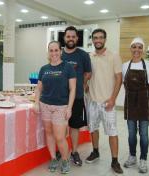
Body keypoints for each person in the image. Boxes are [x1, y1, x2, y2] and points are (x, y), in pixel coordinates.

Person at [85, 28, 123, 174]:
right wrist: (86, 87)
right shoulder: (89, 56)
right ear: (92, 40)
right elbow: (87, 75)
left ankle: (115, 160)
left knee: (112, 131)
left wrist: (113, 98)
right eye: (95, 38)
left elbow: (119, 79)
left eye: (101, 38)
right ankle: (95, 151)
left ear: (105, 40)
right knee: (93, 128)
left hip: (108, 102)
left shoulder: (114, 56)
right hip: (92, 101)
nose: (98, 40)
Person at [35, 41, 76, 174]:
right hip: (45, 105)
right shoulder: (44, 69)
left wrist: (69, 108)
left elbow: (73, 89)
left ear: (61, 51)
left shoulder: (68, 67)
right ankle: (53, 158)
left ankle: (65, 160)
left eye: (56, 50)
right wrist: (36, 102)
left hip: (61, 107)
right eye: (51, 50)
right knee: (49, 133)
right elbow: (38, 88)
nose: (54, 53)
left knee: (60, 137)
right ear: (48, 52)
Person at [122, 37, 149, 173]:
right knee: (131, 133)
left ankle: (143, 159)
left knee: (144, 134)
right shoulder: (125, 65)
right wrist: (133, 96)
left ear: (143, 50)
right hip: (130, 102)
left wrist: (146, 98)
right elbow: (125, 84)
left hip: (144, 103)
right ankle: (132, 157)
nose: (137, 50)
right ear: (130, 48)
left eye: (140, 47)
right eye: (134, 47)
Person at [61, 26, 92, 166]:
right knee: (60, 126)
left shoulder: (83, 55)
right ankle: (61, 150)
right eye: (68, 36)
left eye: (73, 36)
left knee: (74, 126)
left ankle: (74, 152)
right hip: (59, 99)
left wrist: (82, 84)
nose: (71, 39)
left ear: (77, 38)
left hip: (77, 97)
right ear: (64, 38)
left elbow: (88, 73)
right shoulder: (59, 54)